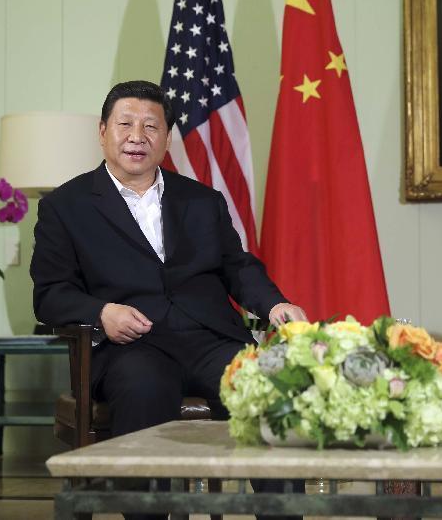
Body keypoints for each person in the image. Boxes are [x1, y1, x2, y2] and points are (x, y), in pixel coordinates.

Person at [31, 80, 306, 520]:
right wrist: (102, 312)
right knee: (145, 388)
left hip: (209, 339)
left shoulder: (202, 200)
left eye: (151, 126)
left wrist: (274, 304)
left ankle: (284, 515)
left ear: (167, 138)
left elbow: (238, 266)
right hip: (131, 345)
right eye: (125, 123)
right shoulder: (66, 206)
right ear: (102, 131)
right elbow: (50, 295)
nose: (137, 136)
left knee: (268, 386)